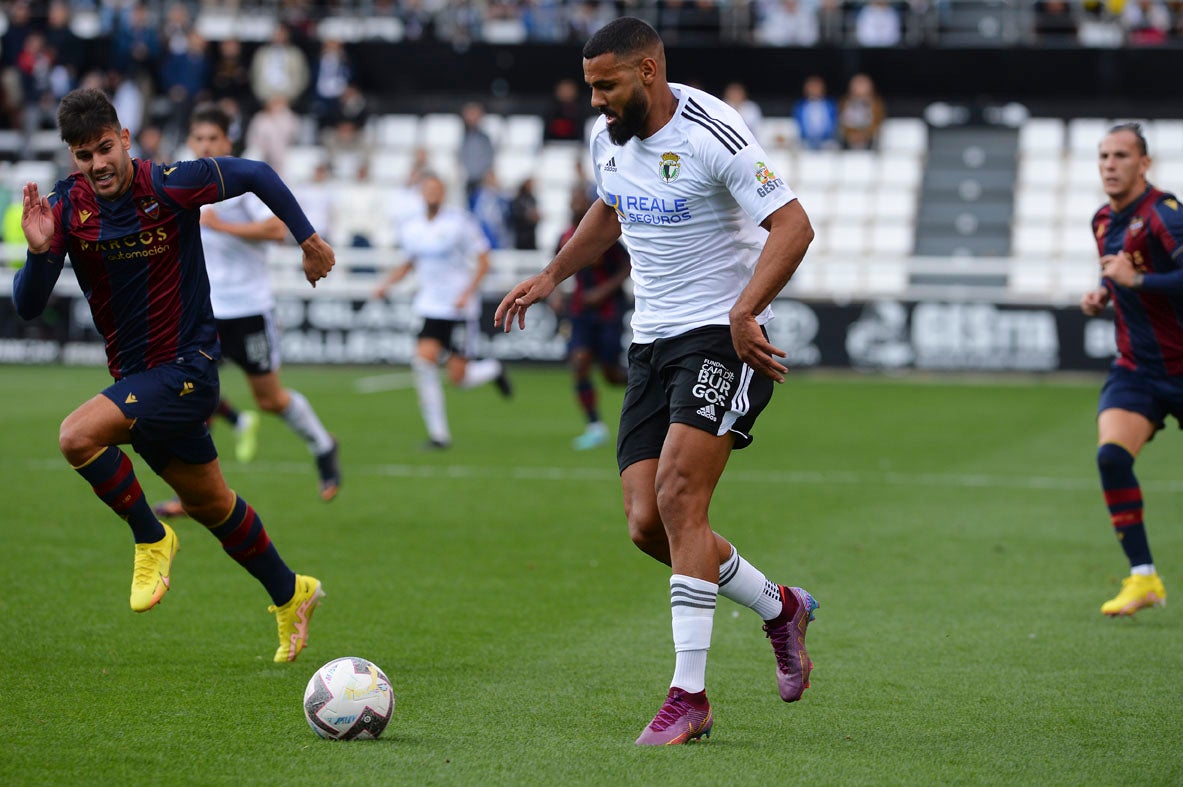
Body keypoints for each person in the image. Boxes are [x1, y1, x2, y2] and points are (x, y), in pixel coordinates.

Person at [495, 17, 817, 746]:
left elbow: (792, 226)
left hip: (722, 336)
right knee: (649, 524)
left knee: (678, 494)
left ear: (647, 72)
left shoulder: (713, 131)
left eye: (606, 86)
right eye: (589, 87)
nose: (596, 100)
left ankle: (689, 696)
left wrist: (745, 309)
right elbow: (610, 209)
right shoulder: (606, 136)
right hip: (652, 342)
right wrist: (552, 273)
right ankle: (780, 606)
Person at [12, 87, 332, 662]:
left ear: (125, 138)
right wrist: (38, 255)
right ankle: (293, 593)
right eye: (83, 156)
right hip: (140, 382)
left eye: (105, 148)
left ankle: (150, 535)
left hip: (189, 369)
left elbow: (257, 172)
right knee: (214, 506)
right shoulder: (65, 208)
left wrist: (307, 240)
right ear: (72, 158)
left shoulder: (170, 184)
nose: (98, 164)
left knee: (76, 436)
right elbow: (30, 306)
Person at [174, 104, 340, 502]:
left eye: (213, 138)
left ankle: (323, 445)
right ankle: (193, 496)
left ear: (227, 141)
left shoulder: (236, 183)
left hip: (248, 308)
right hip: (205, 311)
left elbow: (275, 228)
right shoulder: (182, 184)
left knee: (270, 399)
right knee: (188, 396)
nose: (205, 145)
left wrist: (223, 225)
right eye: (199, 138)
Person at [1080, 121, 1183, 618]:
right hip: (1138, 368)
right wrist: (1105, 292)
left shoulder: (1164, 214)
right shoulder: (1102, 219)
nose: (1110, 166)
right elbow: (1123, 276)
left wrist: (1136, 279)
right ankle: (1143, 578)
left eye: (1121, 156)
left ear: (1144, 164)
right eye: (1103, 157)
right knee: (1111, 458)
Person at [374, 172, 512, 449]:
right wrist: (386, 284)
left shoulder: (460, 222)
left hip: (459, 309)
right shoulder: (412, 227)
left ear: (444, 193)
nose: (432, 195)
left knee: (458, 379)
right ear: (421, 194)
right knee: (422, 364)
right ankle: (439, 436)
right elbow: (409, 262)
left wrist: (467, 292)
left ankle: (493, 369)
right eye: (427, 190)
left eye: (437, 190)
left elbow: (484, 260)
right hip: (430, 306)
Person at [554, 186, 630, 451]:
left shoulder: (604, 235)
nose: (576, 204)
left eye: (581, 200)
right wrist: (554, 293)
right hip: (580, 311)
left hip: (609, 310)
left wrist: (603, 291)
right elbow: (556, 267)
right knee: (580, 362)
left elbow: (626, 265)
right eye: (573, 200)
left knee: (611, 373)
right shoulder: (564, 236)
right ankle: (595, 426)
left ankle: (653, 388)